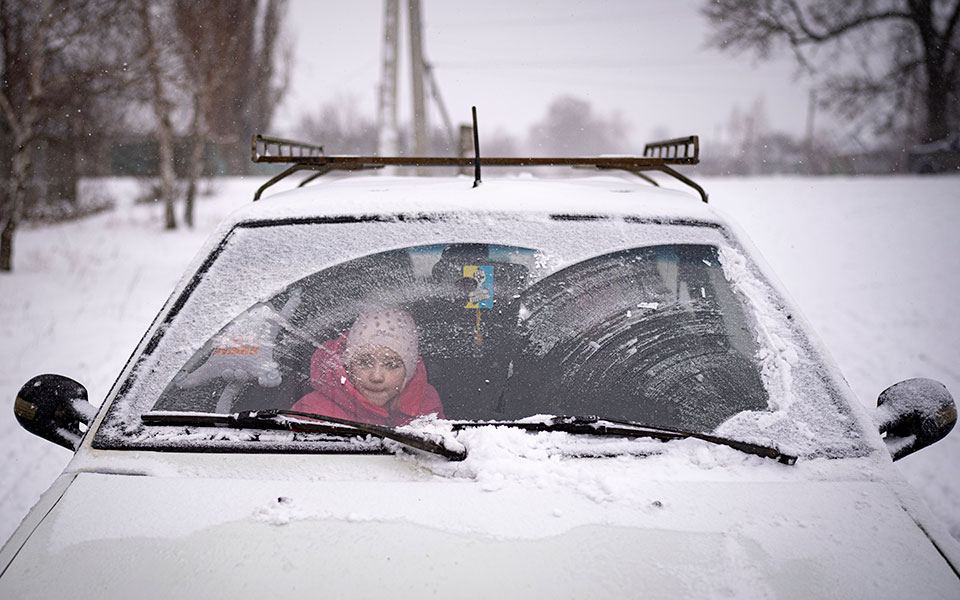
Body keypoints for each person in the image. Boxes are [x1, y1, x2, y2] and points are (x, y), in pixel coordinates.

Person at [291, 306, 444, 426]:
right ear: (348, 365)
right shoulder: (313, 415)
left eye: (391, 365)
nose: (376, 376)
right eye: (364, 362)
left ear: (408, 373)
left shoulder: (425, 408)